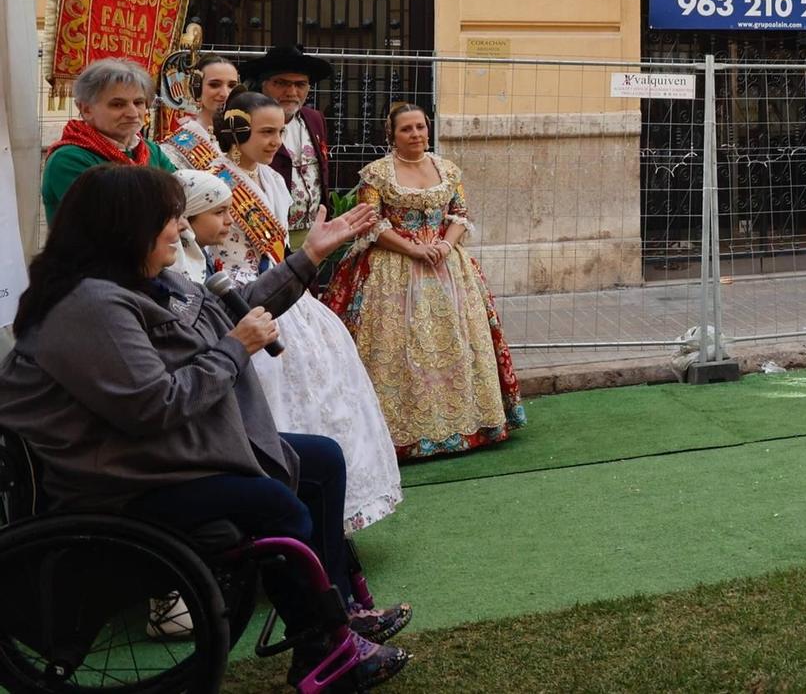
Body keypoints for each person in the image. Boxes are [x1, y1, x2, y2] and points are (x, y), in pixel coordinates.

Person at [0, 165, 409, 687]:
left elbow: (229, 316)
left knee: (321, 461)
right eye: (169, 219)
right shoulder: (91, 306)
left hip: (162, 456)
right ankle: (324, 639)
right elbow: (155, 405)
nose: (182, 229)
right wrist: (235, 349)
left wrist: (308, 258)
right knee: (273, 503)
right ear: (124, 226)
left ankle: (334, 620)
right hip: (119, 479)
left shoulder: (145, 281)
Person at [209, 94, 403, 531]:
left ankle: (325, 512)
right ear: (237, 130)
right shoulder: (214, 179)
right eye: (265, 132)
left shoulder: (275, 182)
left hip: (285, 295)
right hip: (239, 300)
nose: (276, 141)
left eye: (280, 132)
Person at [322, 104, 526, 458]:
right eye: (407, 129)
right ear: (393, 135)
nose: (416, 134)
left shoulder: (447, 169)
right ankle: (399, 432)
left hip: (448, 266)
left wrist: (446, 243)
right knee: (395, 346)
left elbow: (460, 214)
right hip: (391, 269)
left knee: (460, 341)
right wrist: (412, 249)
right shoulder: (377, 174)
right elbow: (372, 222)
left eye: (421, 127)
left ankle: (471, 423)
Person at [40, 56, 176, 220]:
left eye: (139, 102)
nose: (133, 113)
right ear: (86, 109)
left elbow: (182, 194)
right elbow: (113, 220)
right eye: (117, 104)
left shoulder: (149, 150)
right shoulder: (68, 160)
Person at [247, 44, 337, 246]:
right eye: (281, 83)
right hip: (268, 232)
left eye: (300, 84)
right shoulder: (249, 122)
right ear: (263, 84)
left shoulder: (314, 119)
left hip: (313, 231)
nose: (292, 91)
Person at [158, 54, 240, 173]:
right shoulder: (181, 141)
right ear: (196, 87)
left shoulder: (247, 133)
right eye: (214, 85)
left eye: (232, 86)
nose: (225, 93)